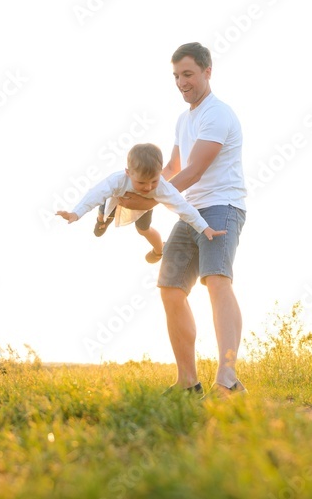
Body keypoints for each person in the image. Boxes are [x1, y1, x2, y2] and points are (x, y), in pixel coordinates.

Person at [117, 42, 247, 397]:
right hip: (190, 210)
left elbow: (193, 171)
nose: (181, 82)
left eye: (188, 74)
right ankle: (189, 383)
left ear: (207, 72)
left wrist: (146, 199)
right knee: (170, 288)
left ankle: (228, 377)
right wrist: (132, 188)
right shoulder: (183, 120)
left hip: (222, 207)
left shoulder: (217, 114)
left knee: (217, 281)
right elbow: (172, 169)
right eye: (176, 76)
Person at [56, 143, 226, 263]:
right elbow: (94, 194)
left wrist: (204, 227)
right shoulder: (117, 181)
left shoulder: (162, 187)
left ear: (159, 173)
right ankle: (102, 220)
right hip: (118, 199)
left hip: (143, 207)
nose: (148, 187)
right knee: (104, 206)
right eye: (142, 183)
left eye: (153, 181)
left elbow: (183, 207)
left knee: (143, 230)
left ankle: (159, 250)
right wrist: (75, 213)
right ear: (128, 173)